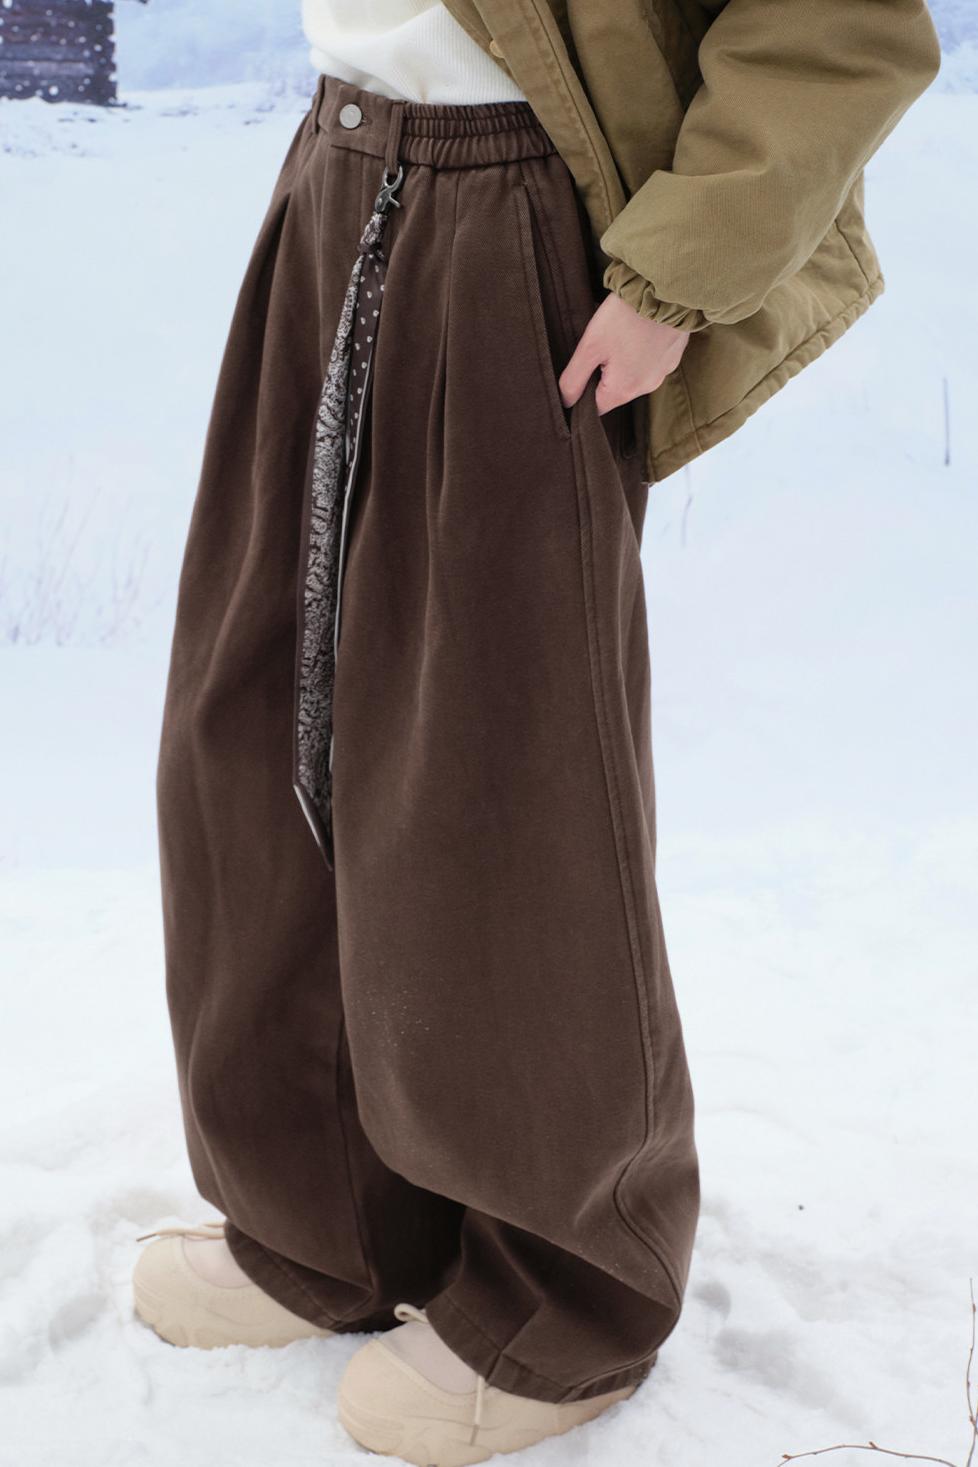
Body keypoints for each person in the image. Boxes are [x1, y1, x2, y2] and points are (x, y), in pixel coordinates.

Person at [134, 2, 941, 1464]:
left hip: (512, 217)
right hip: (334, 172)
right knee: (254, 728)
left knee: (502, 772)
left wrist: (672, 279)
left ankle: (567, 1290)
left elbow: (842, 24)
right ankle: (325, 1223)